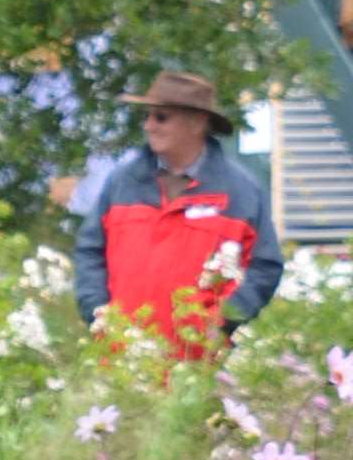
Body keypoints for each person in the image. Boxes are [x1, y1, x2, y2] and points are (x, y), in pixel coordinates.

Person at [69, 68, 280, 344]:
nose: (149, 125)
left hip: (199, 366)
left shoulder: (242, 191)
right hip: (122, 361)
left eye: (161, 116)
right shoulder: (122, 182)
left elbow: (265, 266)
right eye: (147, 116)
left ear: (197, 122)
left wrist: (225, 321)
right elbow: (89, 251)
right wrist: (96, 310)